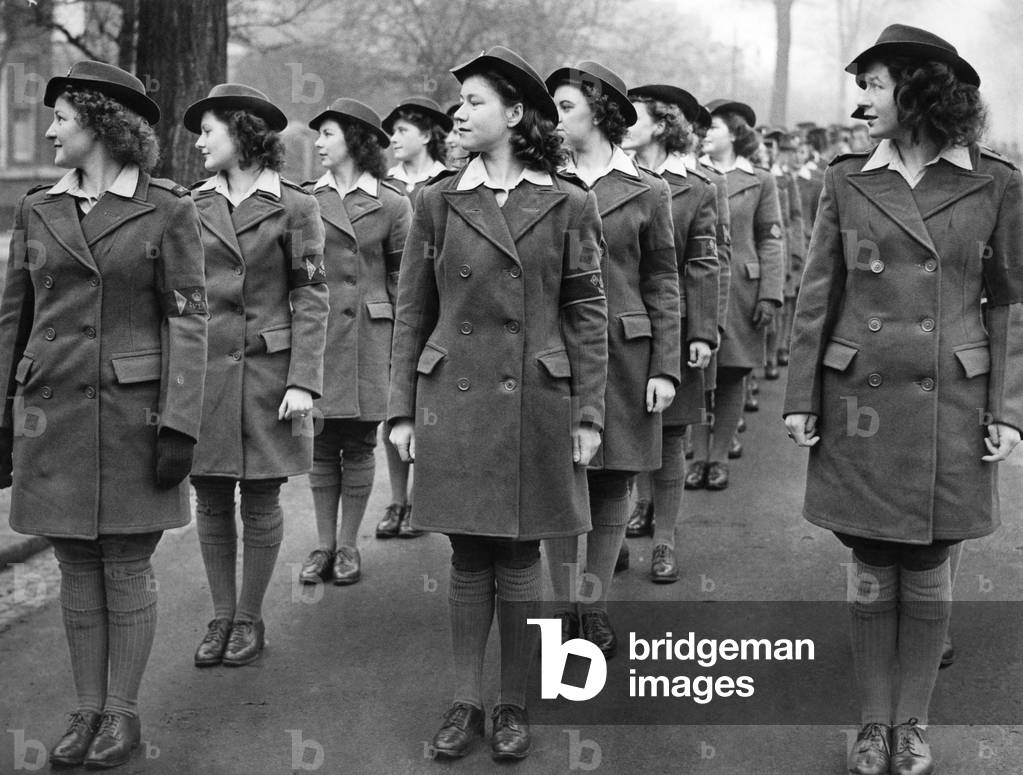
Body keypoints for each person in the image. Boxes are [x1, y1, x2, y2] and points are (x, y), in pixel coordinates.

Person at [784, 24, 1023, 775]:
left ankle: (910, 725)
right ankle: (869, 723)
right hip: (859, 392)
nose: (863, 102)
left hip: (950, 395)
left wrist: (1008, 407)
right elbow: (817, 292)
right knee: (868, 557)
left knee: (926, 561)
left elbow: (1008, 302)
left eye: (876, 85)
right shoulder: (846, 178)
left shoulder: (995, 181)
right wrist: (800, 394)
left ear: (919, 89)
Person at [388, 46, 607, 761]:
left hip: (536, 398)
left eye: (476, 101)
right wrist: (399, 411)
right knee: (465, 551)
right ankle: (463, 700)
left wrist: (588, 413)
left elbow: (585, 312)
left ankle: (512, 701)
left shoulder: (569, 200)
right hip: (452, 396)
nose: (460, 112)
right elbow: (411, 312)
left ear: (515, 114)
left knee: (517, 552)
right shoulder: (435, 200)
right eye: (460, 101)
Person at [0, 61, 207, 768]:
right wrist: (3, 417)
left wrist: (179, 422)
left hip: (132, 415)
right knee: (74, 564)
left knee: (124, 562)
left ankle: (123, 716)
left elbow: (188, 321)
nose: (51, 128)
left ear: (98, 123)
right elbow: (12, 317)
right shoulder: (37, 208)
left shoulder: (169, 209)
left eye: (62, 116)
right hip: (50, 411)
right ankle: (84, 709)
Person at [184, 83, 329, 667]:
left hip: (271, 374)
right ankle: (220, 616)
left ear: (242, 135)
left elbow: (312, 296)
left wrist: (303, 380)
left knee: (262, 497)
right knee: (212, 497)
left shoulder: (296, 206)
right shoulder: (189, 205)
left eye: (209, 131)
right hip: (205, 374)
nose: (198, 143)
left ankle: (249, 618)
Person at [543, 61, 680, 653]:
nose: (554, 119)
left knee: (613, 479)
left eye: (566, 107)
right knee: (556, 477)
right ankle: (560, 606)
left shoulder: (649, 190)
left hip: (625, 355)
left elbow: (664, 280)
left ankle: (592, 606)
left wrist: (666, 366)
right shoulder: (541, 182)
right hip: (554, 352)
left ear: (600, 113)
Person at [297, 98, 412, 585]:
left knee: (361, 444)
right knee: (321, 446)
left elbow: (404, 283)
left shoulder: (393, 203)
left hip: (370, 336)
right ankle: (322, 546)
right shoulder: (306, 200)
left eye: (327, 134)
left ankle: (348, 546)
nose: (319, 143)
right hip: (321, 335)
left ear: (355, 141)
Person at [620, 83, 719, 583]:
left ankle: (664, 540)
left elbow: (703, 263)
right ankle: (626, 519)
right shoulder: (610, 178)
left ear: (661, 124)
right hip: (618, 325)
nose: (619, 123)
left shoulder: (697, 188)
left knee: (672, 432)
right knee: (627, 423)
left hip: (673, 324)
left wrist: (701, 332)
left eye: (632, 116)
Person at [686, 99, 783, 490]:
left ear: (735, 133)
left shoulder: (760, 179)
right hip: (702, 286)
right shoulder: (691, 174)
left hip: (743, 289)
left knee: (731, 372)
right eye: (703, 128)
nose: (705, 133)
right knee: (696, 372)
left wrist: (770, 294)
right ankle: (696, 454)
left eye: (714, 127)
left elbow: (772, 238)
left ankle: (719, 457)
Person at [375, 96, 452, 539]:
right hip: (401, 304)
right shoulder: (385, 185)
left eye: (403, 131)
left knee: (434, 400)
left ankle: (424, 495)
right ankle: (396, 499)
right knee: (398, 400)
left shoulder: (445, 182)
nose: (395, 140)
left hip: (443, 302)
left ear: (425, 135)